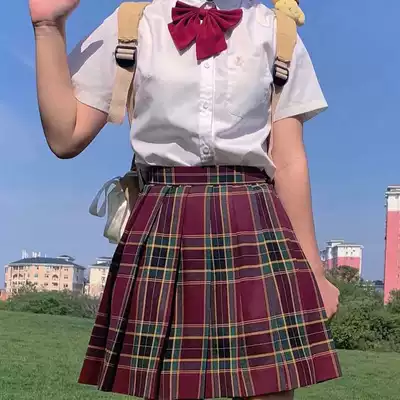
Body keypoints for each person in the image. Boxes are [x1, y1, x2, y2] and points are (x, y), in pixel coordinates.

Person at [29, 0, 341, 399]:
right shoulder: (133, 22)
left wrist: (314, 271)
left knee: (269, 387)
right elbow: (66, 135)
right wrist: (47, 27)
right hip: (166, 220)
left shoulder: (278, 31)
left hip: (254, 222)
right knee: (172, 386)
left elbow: (290, 160)